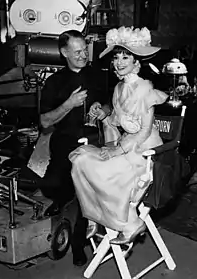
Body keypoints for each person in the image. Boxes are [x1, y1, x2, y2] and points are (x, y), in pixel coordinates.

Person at [69, 26, 168, 245]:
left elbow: (143, 131)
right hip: (125, 147)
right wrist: (101, 116)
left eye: (126, 57)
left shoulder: (145, 89)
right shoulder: (119, 88)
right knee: (79, 161)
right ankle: (95, 216)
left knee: (100, 171)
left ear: (136, 62)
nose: (119, 62)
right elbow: (115, 121)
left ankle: (131, 223)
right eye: (116, 57)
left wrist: (116, 150)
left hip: (144, 153)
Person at [39, 30, 109, 266]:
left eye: (85, 50)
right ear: (64, 52)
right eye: (77, 51)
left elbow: (112, 103)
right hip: (64, 145)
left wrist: (104, 109)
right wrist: (68, 104)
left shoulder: (98, 75)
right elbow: (45, 121)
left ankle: (78, 246)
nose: (83, 56)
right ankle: (64, 195)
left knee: (84, 199)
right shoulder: (54, 82)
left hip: (92, 143)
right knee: (50, 186)